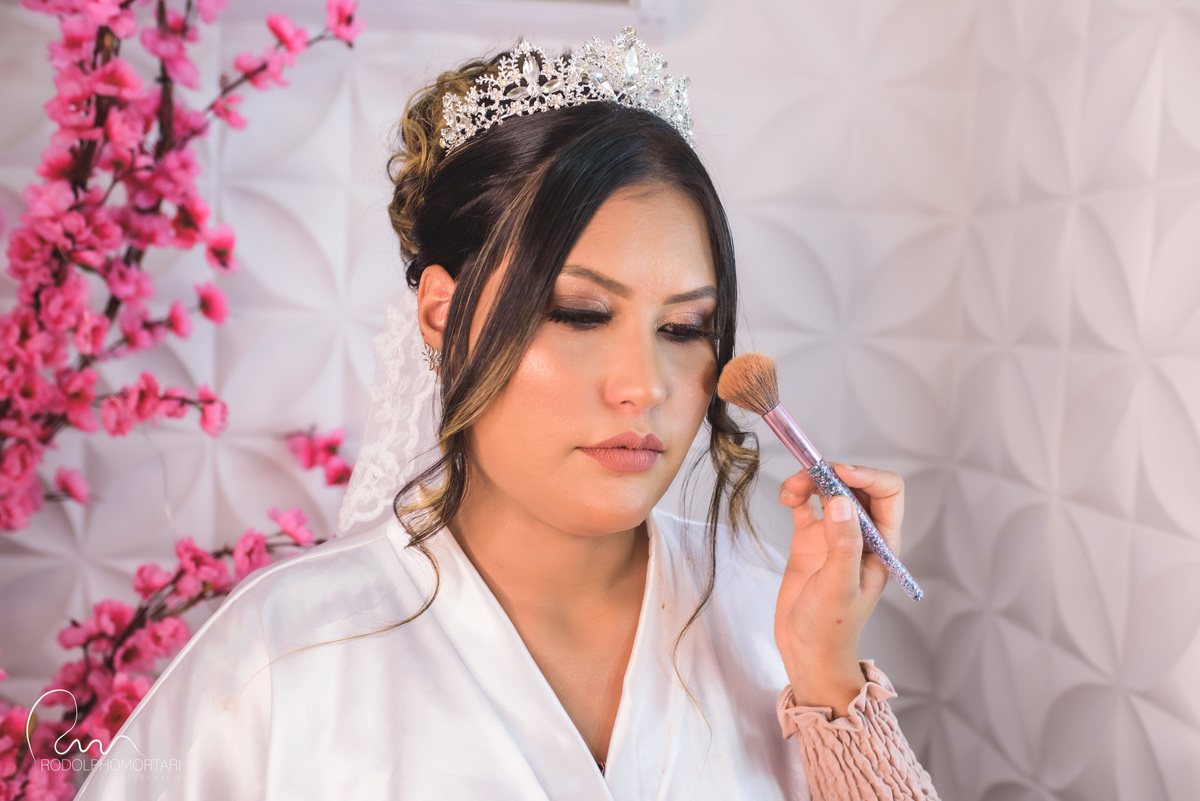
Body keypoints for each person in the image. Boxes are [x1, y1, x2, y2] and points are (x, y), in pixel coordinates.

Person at [75, 29, 939, 800]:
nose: (643, 386)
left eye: (683, 329)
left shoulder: (767, 621)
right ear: (442, 315)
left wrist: (828, 678)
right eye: (579, 314)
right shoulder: (282, 655)